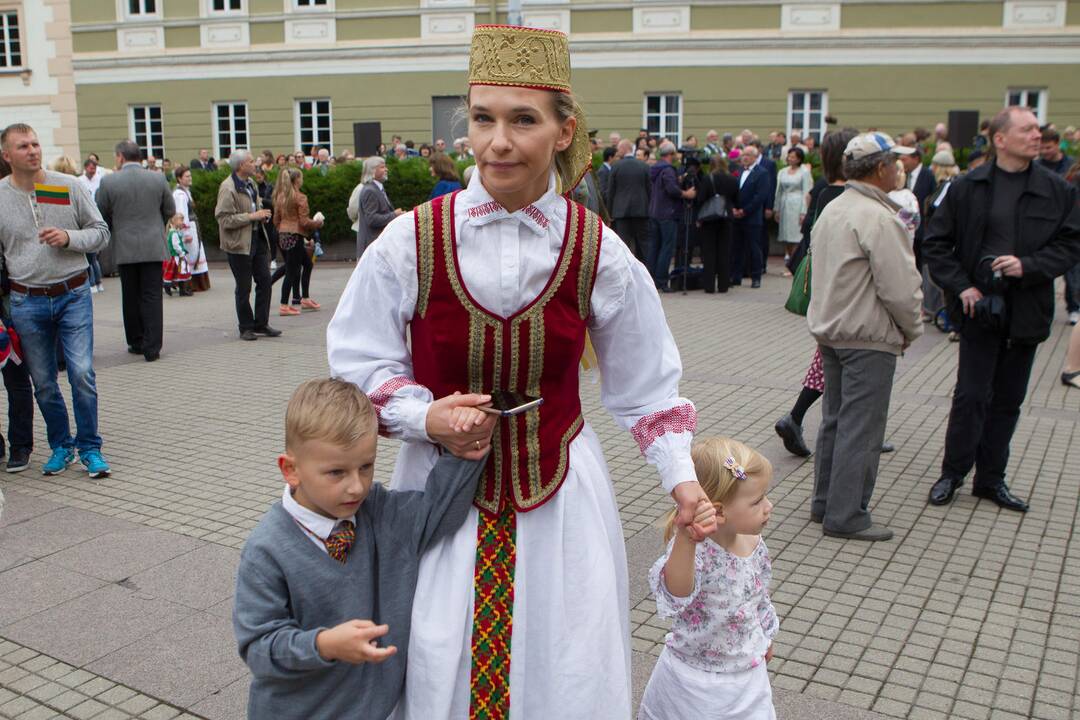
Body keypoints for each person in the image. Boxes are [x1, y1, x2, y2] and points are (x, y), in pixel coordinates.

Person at [326, 24, 711, 718]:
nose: (497, 141)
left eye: (522, 120)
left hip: (557, 495)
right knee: (438, 653)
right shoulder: (412, 239)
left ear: (564, 132)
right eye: (482, 119)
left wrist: (683, 484)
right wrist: (423, 416)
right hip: (438, 497)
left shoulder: (598, 252)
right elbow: (359, 359)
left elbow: (647, 387)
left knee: (562, 661)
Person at [233, 378, 489, 720]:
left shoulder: (376, 510)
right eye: (336, 472)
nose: (357, 486)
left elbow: (435, 513)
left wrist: (465, 451)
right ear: (290, 470)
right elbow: (259, 649)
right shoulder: (267, 550)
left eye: (366, 467)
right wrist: (322, 645)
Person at [924, 107, 1080, 512]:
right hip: (978, 312)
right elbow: (936, 245)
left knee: (1008, 400)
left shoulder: (1057, 190)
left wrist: (1027, 266)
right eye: (1027, 129)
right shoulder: (967, 186)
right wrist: (963, 288)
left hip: (1026, 311)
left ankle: (991, 479)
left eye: (1037, 129)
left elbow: (1070, 245)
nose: (1037, 135)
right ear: (999, 139)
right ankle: (952, 473)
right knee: (970, 396)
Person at [807, 132, 923, 541]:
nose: (900, 169)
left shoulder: (835, 209)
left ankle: (825, 503)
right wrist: (912, 329)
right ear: (879, 168)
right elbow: (900, 288)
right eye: (896, 162)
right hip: (865, 335)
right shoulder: (878, 217)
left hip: (833, 332)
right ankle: (847, 514)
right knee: (861, 427)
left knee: (836, 421)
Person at [0, 123, 111, 478]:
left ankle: (90, 447)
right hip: (26, 301)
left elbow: (101, 233)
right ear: (7, 155)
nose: (32, 150)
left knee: (81, 373)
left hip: (72, 293)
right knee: (44, 382)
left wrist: (68, 237)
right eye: (23, 146)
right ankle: (61, 446)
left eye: (35, 143)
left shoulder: (65, 185)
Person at [638, 437, 777, 720]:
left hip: (747, 679)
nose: (769, 506)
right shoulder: (695, 551)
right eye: (757, 500)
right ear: (720, 511)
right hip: (693, 683)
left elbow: (759, 595)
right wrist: (686, 539)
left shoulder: (755, 544)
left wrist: (766, 633)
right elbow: (676, 592)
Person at [774, 128, 890, 459]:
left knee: (826, 362)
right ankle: (807, 419)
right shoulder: (852, 199)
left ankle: (799, 418)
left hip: (830, 295)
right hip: (851, 298)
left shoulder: (826, 192)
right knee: (839, 369)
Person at [95, 139, 175, 362]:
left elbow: (101, 213)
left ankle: (136, 341)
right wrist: (155, 224)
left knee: (130, 295)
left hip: (125, 245)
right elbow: (169, 208)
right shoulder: (158, 178)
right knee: (152, 295)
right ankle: (153, 347)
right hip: (152, 244)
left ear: (120, 157)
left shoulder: (109, 182)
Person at [215, 150, 280, 342]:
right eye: (252, 162)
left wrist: (261, 210)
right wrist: (252, 216)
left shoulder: (251, 184)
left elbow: (254, 204)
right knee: (244, 287)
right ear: (241, 166)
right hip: (238, 244)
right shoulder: (228, 188)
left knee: (265, 281)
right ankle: (245, 327)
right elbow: (223, 219)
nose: (256, 164)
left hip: (256, 239)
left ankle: (261, 323)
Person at [273, 166, 323, 316]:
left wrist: (281, 229)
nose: (302, 180)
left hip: (283, 234)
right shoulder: (300, 197)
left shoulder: (281, 196)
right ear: (297, 180)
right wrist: (318, 223)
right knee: (291, 270)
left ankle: (305, 298)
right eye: (301, 177)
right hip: (295, 235)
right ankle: (284, 305)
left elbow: (276, 220)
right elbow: (304, 222)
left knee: (306, 264)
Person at [649, 141, 696, 292]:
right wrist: (686, 193)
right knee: (666, 248)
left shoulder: (655, 168)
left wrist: (677, 180)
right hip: (668, 213)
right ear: (670, 154)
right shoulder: (668, 169)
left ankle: (651, 280)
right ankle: (662, 281)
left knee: (655, 247)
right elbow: (671, 190)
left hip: (655, 211)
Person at [921, 150, 959, 321]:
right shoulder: (943, 185)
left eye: (934, 165)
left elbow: (938, 209)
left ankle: (949, 316)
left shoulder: (948, 186)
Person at [695, 154, 738, 293]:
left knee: (709, 252)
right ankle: (723, 285)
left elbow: (701, 199)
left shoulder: (708, 179)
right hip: (726, 218)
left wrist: (698, 218)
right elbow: (737, 199)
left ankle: (709, 286)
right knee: (724, 252)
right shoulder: (732, 179)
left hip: (709, 219)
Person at [606, 139, 651, 261]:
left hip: (621, 212)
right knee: (644, 246)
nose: (617, 151)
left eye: (619, 149)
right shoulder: (644, 166)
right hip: (641, 211)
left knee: (623, 245)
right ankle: (647, 273)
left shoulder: (615, 167)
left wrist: (609, 213)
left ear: (624, 149)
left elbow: (610, 192)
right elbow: (649, 190)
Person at [731, 146, 769, 288]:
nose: (745, 157)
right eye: (743, 155)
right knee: (737, 248)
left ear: (754, 156)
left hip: (752, 216)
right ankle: (736, 276)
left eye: (748, 155)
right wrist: (734, 208)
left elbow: (760, 196)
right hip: (737, 216)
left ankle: (756, 277)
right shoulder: (739, 171)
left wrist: (745, 210)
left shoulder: (762, 173)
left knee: (754, 248)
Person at [355, 156, 403, 259]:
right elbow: (371, 219)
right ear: (372, 170)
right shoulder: (370, 190)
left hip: (376, 245)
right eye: (382, 167)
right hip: (372, 246)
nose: (386, 169)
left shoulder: (377, 188)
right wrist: (394, 215)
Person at [173, 166, 210, 292]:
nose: (190, 178)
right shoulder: (179, 194)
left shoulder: (185, 192)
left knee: (196, 253)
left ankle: (197, 282)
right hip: (188, 229)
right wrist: (185, 233)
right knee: (191, 254)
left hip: (193, 227)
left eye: (190, 176)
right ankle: (190, 283)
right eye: (187, 176)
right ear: (179, 178)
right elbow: (181, 214)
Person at [775, 147, 812, 274]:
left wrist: (803, 211)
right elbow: (778, 191)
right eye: (789, 156)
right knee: (786, 236)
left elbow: (806, 191)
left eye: (793, 157)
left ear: (799, 159)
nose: (790, 159)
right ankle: (790, 262)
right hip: (785, 203)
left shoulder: (804, 172)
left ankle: (795, 265)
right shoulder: (783, 171)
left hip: (797, 204)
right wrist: (777, 209)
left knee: (796, 235)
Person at [899, 145, 936, 268]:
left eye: (904, 159)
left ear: (916, 159)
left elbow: (933, 200)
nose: (902, 163)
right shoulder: (901, 175)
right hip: (905, 231)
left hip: (922, 231)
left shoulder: (928, 175)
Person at [77, 158, 105, 293]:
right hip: (86, 217)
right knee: (91, 257)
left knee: (92, 257)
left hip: (97, 214)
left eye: (94, 168)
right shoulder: (80, 180)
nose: (92, 171)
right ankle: (95, 282)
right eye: (90, 168)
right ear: (85, 168)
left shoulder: (100, 179)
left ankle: (96, 282)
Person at [162, 213, 192, 297]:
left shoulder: (176, 232)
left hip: (178, 256)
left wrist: (183, 240)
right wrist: (181, 253)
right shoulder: (174, 233)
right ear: (174, 221)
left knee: (181, 273)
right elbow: (176, 245)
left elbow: (178, 242)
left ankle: (182, 290)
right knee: (179, 271)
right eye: (181, 220)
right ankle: (167, 285)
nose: (182, 222)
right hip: (176, 257)